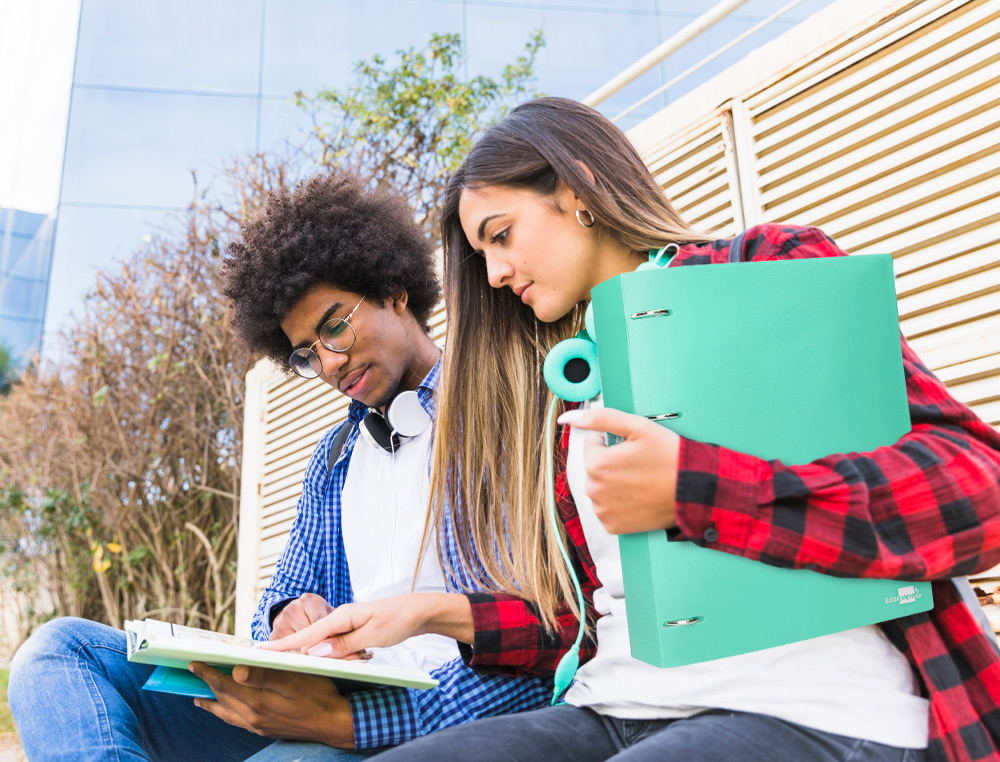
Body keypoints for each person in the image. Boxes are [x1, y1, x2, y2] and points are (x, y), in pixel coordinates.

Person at [265, 98, 1000, 762]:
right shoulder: (563, 386)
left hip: (809, 699)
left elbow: (977, 487)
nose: (492, 274)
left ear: (578, 190)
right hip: (616, 703)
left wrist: (693, 487)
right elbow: (579, 622)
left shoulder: (763, 269)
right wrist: (433, 613)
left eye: (501, 235)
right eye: (480, 254)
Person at [8, 171, 549, 762]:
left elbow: (544, 636)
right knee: (60, 652)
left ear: (396, 290)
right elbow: (288, 592)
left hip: (434, 709)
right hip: (327, 689)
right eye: (306, 352)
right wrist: (288, 616)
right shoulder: (336, 457)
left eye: (335, 326)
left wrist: (349, 721)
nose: (328, 363)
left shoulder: (501, 409)